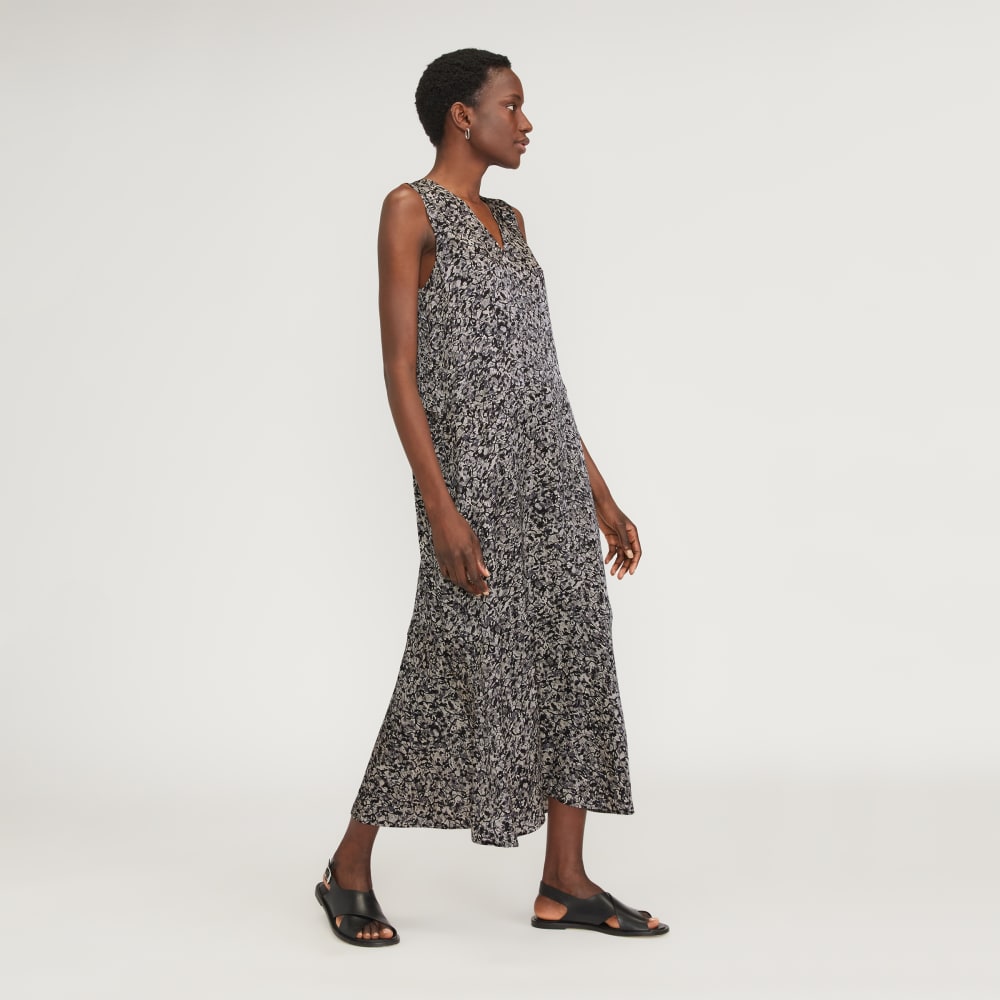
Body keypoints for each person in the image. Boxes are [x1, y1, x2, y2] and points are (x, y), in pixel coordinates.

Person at [314, 48, 668, 946]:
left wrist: (599, 494)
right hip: (471, 485)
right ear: (462, 116)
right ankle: (348, 867)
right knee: (445, 667)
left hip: (550, 481)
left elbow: (541, 375)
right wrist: (440, 508)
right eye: (512, 104)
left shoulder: (512, 219)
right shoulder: (410, 208)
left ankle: (565, 883)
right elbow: (399, 371)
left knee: (577, 657)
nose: (527, 121)